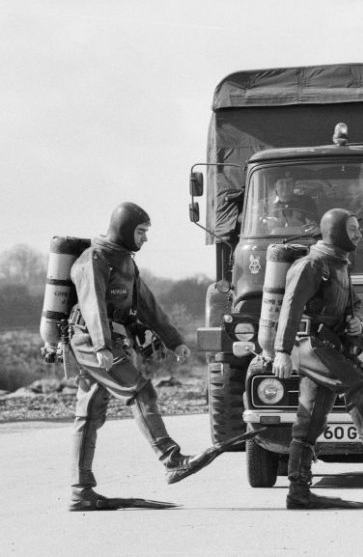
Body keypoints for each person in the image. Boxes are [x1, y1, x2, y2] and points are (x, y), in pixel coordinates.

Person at [67, 202, 244, 511]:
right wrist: (102, 346)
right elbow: (92, 304)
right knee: (140, 390)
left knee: (90, 414)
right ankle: (172, 459)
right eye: (140, 231)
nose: (145, 239)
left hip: (104, 342)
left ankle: (81, 490)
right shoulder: (92, 260)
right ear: (123, 229)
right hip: (89, 340)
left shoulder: (125, 261)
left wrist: (174, 341)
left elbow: (148, 305)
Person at [271, 208, 363, 509]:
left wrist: (356, 323)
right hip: (307, 345)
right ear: (336, 231)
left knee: (309, 423)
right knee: (357, 384)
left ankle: (298, 492)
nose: (359, 234)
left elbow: (353, 308)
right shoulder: (311, 265)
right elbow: (290, 308)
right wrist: (282, 352)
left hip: (326, 347)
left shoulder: (340, 265)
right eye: (352, 229)